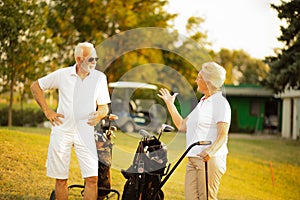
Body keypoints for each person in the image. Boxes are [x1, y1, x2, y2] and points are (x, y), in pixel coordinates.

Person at [30, 42, 111, 200]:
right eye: (90, 59)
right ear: (78, 59)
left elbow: (104, 107)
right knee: (61, 180)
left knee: (92, 179)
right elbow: (36, 86)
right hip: (62, 131)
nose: (94, 62)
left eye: (96, 58)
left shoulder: (100, 78)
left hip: (86, 133)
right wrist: (47, 110)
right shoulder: (63, 75)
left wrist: (100, 114)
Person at [158, 62, 231, 200]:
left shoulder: (220, 103)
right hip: (192, 158)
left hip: (209, 159)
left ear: (208, 82)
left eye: (199, 78)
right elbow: (182, 125)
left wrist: (210, 151)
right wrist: (170, 104)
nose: (196, 80)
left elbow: (222, 134)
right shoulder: (202, 102)